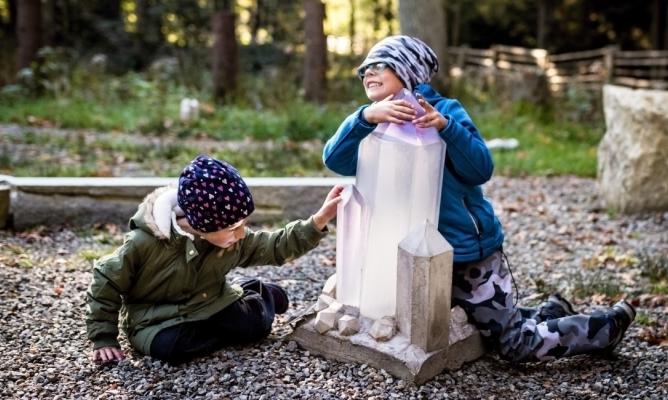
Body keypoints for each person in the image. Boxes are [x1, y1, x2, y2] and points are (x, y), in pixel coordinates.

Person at [322, 35, 635, 362]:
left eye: (378, 65)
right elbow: (335, 160)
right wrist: (364, 118)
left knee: (512, 344)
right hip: (418, 258)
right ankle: (551, 311)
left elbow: (480, 168)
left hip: (467, 255)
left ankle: (604, 328)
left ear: (408, 69)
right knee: (483, 323)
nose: (366, 73)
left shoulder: (444, 111)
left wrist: (446, 128)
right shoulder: (370, 121)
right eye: (363, 70)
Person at [86, 155, 343, 364]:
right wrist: (104, 337)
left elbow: (274, 246)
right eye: (232, 227)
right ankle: (243, 297)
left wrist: (316, 222)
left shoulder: (232, 240)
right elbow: (105, 279)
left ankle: (261, 294)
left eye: (243, 225)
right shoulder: (144, 243)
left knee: (256, 327)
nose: (240, 234)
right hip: (156, 318)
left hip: (213, 303)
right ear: (202, 224)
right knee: (168, 349)